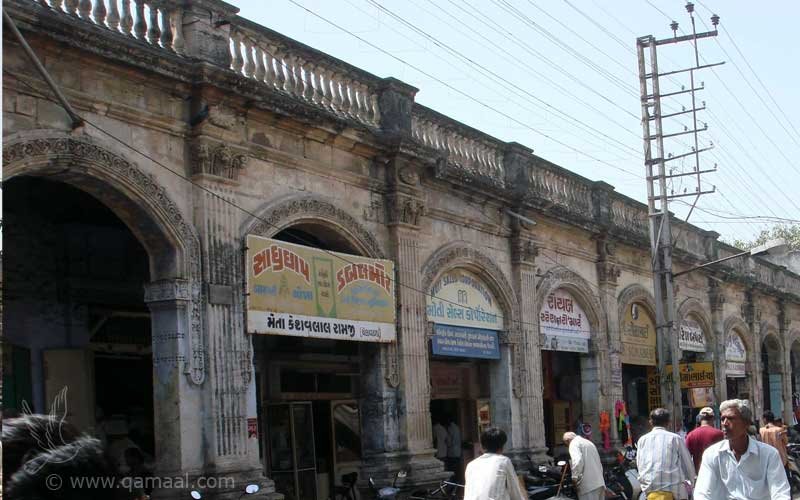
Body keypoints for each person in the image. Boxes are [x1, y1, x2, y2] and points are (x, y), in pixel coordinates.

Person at [694, 399, 790, 500]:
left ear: (746, 423)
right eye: (722, 419)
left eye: (731, 418)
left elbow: (780, 493)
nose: (725, 423)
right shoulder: (712, 455)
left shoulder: (769, 455)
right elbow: (702, 493)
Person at [636, 408, 696, 500]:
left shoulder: (642, 440)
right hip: (675, 491)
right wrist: (692, 482)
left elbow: (640, 465)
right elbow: (688, 465)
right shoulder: (675, 438)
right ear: (668, 423)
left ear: (651, 422)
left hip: (650, 491)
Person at [464, 427, 525, 500]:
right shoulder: (503, 461)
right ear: (502, 447)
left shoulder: (471, 465)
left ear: (482, 446)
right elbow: (515, 492)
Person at [563, 432, 605, 500]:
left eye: (566, 444)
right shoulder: (588, 442)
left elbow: (577, 461)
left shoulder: (573, 444)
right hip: (599, 483)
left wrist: (574, 478)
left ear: (568, 441)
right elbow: (599, 463)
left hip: (588, 486)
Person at [684, 407, 723, 472]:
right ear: (713, 418)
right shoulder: (720, 434)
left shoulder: (691, 435)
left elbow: (686, 458)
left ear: (699, 419)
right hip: (718, 473)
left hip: (699, 474)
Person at [760, 410, 789, 478]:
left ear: (765, 419)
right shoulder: (780, 430)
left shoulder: (762, 430)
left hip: (768, 460)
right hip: (781, 459)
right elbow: (786, 442)